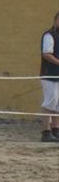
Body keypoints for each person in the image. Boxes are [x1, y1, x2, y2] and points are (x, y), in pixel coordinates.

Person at [40, 12, 59, 142]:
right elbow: (47, 54)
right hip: (50, 74)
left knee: (57, 104)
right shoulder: (49, 35)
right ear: (55, 20)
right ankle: (46, 132)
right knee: (49, 102)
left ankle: (56, 129)